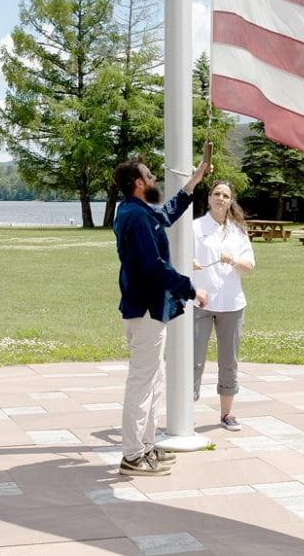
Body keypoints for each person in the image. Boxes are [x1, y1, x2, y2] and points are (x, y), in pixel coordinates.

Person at [112, 158, 209, 477]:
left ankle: (145, 446)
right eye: (149, 176)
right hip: (145, 310)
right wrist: (191, 289)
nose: (154, 179)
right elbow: (153, 267)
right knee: (142, 382)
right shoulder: (135, 217)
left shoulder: (137, 211)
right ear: (138, 183)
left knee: (153, 380)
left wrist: (193, 180)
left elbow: (167, 213)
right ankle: (132, 456)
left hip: (150, 309)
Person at [192, 179, 255, 432]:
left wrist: (235, 259)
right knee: (194, 360)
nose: (220, 198)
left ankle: (227, 414)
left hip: (232, 304)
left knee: (229, 361)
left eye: (226, 195)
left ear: (231, 201)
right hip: (200, 302)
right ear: (208, 198)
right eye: (216, 194)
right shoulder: (195, 228)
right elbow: (175, 258)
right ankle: (186, 414)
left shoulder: (238, 231)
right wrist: (191, 261)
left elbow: (250, 266)